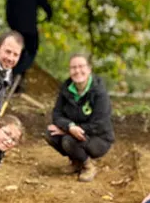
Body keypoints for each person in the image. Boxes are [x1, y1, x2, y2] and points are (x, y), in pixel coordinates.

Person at [46, 54, 114, 182]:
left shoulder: (99, 92)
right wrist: (70, 127)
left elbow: (99, 124)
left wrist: (71, 130)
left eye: (81, 66)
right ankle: (76, 162)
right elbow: (57, 114)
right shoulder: (66, 88)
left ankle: (88, 166)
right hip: (73, 132)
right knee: (50, 133)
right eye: (73, 67)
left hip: (99, 137)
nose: (77, 71)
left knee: (68, 140)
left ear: (89, 69)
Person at [5, 0, 52, 83]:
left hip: (16, 29)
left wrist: (12, 26)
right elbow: (47, 7)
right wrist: (48, 16)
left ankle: (16, 78)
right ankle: (17, 72)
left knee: (16, 52)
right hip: (30, 29)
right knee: (31, 51)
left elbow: (8, 11)